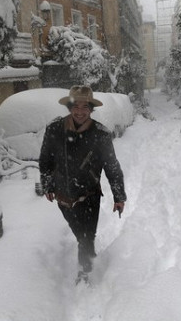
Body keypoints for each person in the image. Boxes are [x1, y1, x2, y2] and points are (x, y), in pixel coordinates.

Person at [39, 85, 126, 284]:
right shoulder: (54, 129)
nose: (80, 111)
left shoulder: (101, 135)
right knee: (80, 234)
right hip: (63, 195)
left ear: (91, 109)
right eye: (76, 106)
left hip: (89, 195)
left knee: (87, 235)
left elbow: (112, 167)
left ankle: (85, 270)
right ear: (70, 107)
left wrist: (119, 196)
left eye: (85, 106)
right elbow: (45, 159)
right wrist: (47, 184)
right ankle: (87, 251)